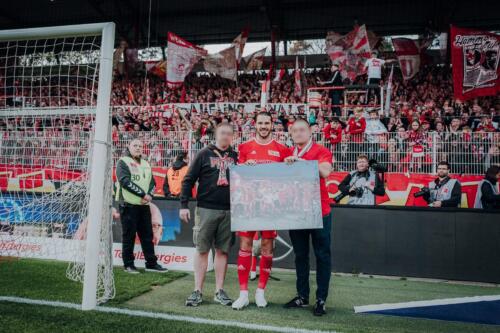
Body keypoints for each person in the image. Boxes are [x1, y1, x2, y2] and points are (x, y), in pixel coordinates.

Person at [232, 111, 291, 310]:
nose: (264, 126)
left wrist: (290, 164)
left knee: (267, 247)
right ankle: (243, 294)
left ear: (272, 125)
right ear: (255, 125)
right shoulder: (244, 147)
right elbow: (237, 174)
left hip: (270, 207)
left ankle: (260, 292)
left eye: (267, 123)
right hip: (249, 205)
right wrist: (243, 166)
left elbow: (288, 177)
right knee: (246, 244)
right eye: (260, 123)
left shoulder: (282, 149)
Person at [180, 123, 238, 307]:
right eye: (223, 133)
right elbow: (188, 179)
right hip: (206, 208)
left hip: (229, 210)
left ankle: (219, 291)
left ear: (233, 136)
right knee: (202, 249)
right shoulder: (204, 153)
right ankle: (197, 290)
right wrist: (184, 205)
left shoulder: (236, 156)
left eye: (229, 134)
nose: (226, 136)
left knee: (223, 250)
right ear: (216, 134)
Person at [282, 119, 333, 316]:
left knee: (322, 256)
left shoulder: (321, 151)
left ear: (310, 131)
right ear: (291, 134)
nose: (299, 133)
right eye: (295, 131)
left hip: (319, 210)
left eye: (302, 130)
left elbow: (326, 172)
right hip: (297, 212)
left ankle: (321, 299)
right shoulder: (288, 153)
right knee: (300, 256)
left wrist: (305, 164)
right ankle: (302, 296)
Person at [115, 139, 168, 274]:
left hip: (144, 205)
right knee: (129, 236)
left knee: (147, 235)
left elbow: (153, 183)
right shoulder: (123, 162)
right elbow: (124, 181)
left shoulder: (145, 163)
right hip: (128, 204)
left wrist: (149, 195)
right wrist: (143, 195)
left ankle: (151, 263)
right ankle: (128, 264)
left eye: (140, 146)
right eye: (135, 145)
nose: (138, 148)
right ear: (129, 146)